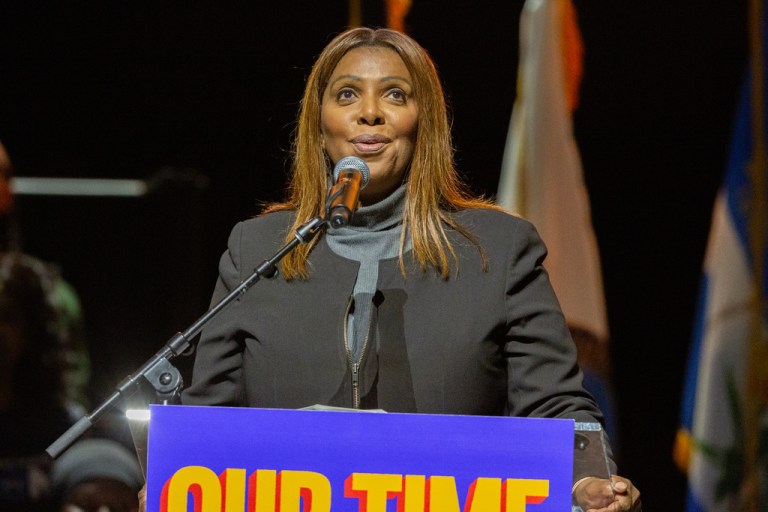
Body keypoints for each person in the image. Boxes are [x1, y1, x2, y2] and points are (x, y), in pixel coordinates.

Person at [181, 27, 641, 510]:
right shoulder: (256, 250)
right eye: (347, 94)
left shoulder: (498, 251)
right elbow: (207, 422)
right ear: (319, 126)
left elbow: (556, 408)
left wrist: (586, 481)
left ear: (425, 123)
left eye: (395, 94)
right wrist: (175, 476)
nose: (370, 111)